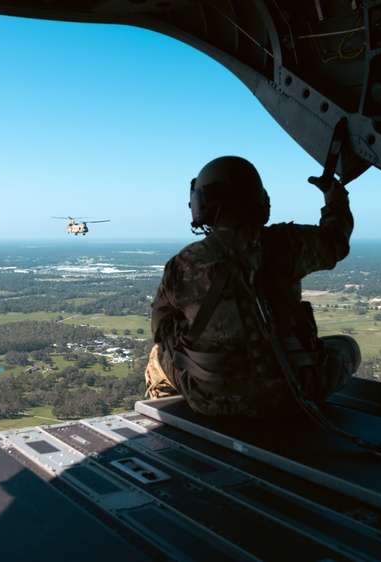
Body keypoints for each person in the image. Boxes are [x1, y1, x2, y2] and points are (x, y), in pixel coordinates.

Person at [145, 156, 361, 417]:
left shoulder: (182, 264)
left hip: (209, 400)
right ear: (260, 200)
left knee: (159, 354)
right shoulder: (290, 244)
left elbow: (161, 328)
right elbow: (335, 239)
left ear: (202, 202)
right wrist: (334, 196)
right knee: (347, 346)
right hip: (293, 393)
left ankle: (165, 411)